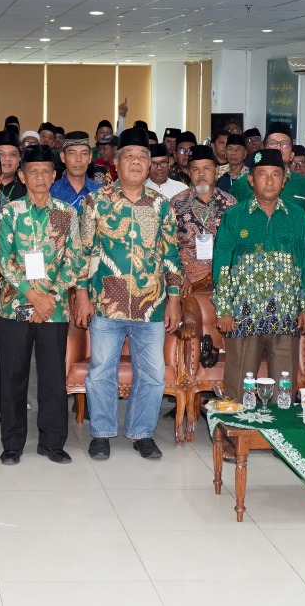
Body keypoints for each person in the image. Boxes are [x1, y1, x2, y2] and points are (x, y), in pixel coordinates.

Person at [74, 129, 183, 461]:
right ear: (116, 163)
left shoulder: (162, 206)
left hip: (152, 306)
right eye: (129, 156)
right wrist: (82, 295)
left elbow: (171, 255)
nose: (136, 162)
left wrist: (175, 300)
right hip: (107, 303)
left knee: (151, 373)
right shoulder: (96, 202)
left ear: (150, 165)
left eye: (142, 157)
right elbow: (85, 251)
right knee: (100, 370)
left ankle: (141, 433)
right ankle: (102, 433)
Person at [212, 149, 305, 430]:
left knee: (284, 381)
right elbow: (222, 263)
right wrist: (224, 309)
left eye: (276, 175)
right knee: (239, 381)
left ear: (285, 181)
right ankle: (235, 433)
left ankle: (278, 435)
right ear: (251, 180)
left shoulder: (297, 216)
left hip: (286, 314)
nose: (269, 181)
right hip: (243, 313)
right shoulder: (235, 216)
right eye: (263, 175)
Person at [0, 145, 83, 464]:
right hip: (15, 306)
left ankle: (52, 442)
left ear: (54, 175)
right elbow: (3, 259)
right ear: (22, 176)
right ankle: (13, 442)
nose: (41, 177)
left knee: (52, 377)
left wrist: (51, 296)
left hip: (55, 308)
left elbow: (74, 260)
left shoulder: (66, 213)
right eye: (34, 171)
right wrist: (33, 296)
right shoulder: (10, 212)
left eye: (46, 171)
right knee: (13, 376)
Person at [170, 145, 237, 329]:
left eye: (206, 168)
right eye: (195, 169)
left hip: (224, 282)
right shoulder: (176, 203)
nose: (201, 174)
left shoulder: (231, 204)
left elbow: (237, 248)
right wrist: (180, 276)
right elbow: (168, 247)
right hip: (188, 282)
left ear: (216, 171)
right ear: (188, 173)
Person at [231, 123, 305, 211]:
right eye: (273, 143)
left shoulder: (304, 184)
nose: (278, 148)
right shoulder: (243, 183)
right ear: (264, 148)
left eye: (284, 144)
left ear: (292, 155)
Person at [51, 131, 102, 209]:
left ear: (90, 157)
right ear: (63, 157)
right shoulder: (51, 192)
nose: (78, 159)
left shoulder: (100, 193)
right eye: (72, 153)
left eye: (84, 153)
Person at [0, 131, 25, 200]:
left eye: (13, 154)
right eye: (1, 154)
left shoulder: (27, 187)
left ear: (19, 160)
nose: (7, 158)